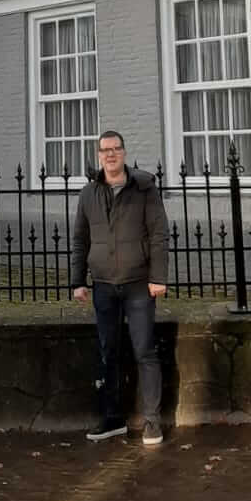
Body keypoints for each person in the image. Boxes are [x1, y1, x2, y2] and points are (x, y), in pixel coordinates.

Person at [71, 130, 169, 446]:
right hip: (102, 285)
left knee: (144, 350)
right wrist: (77, 281)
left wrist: (158, 276)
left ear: (124, 153)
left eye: (116, 149)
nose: (110, 155)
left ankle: (153, 421)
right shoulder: (88, 194)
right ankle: (113, 418)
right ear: (99, 156)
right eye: (105, 150)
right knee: (107, 352)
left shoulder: (144, 188)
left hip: (139, 283)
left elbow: (158, 234)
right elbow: (80, 239)